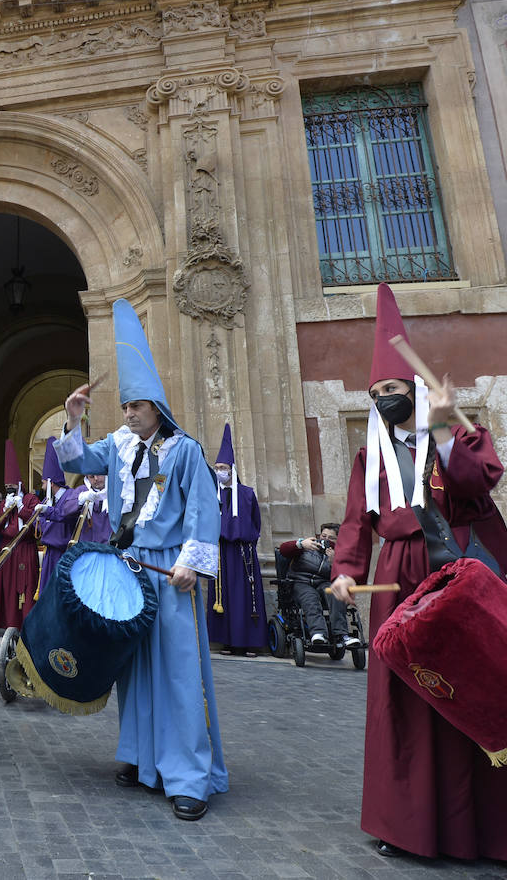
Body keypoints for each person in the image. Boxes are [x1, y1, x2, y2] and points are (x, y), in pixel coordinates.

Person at [328, 284, 507, 874]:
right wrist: (346, 573)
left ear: (415, 391)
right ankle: (411, 826)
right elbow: (356, 524)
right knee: (410, 701)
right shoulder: (366, 459)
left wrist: (447, 426)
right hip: (398, 582)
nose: (383, 401)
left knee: (490, 689)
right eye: (375, 395)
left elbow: (478, 486)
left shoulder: (460, 436)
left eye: (393, 391)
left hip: (461, 577)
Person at [55, 299, 226, 822]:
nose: (130, 413)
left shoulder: (186, 451)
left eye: (138, 405)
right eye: (126, 406)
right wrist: (73, 420)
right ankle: (138, 757)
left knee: (177, 671)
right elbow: (76, 462)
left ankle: (188, 776)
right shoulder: (116, 444)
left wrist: (190, 566)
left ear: (158, 405)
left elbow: (202, 514)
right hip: (129, 570)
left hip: (171, 572)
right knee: (133, 670)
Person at [206, 423, 264, 656]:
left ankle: (249, 641)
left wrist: (248, 538)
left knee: (245, 597)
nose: (219, 470)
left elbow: (256, 521)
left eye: (223, 467)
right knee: (224, 596)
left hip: (242, 553)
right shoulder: (211, 494)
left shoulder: (247, 494)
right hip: (220, 552)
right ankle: (227, 641)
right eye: (216, 467)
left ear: (232, 469)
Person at [276, 523, 358, 650]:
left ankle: (343, 635)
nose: (325, 540)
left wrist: (335, 563)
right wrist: (300, 544)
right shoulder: (308, 545)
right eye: (323, 535)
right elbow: (283, 550)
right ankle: (318, 633)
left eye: (330, 538)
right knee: (310, 598)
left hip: (323, 583)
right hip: (300, 582)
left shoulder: (340, 554)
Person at [0, 442, 40, 631]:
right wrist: (4, 507)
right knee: (7, 586)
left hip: (24, 548)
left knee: (25, 585)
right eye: (6, 486)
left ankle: (25, 623)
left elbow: (36, 522)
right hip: (7, 549)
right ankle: (7, 622)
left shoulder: (30, 499)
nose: (9, 488)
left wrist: (20, 508)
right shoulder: (5, 500)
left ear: (19, 484)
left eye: (12, 486)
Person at [34, 437, 73, 598]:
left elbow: (65, 515)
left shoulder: (69, 497)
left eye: (43, 483)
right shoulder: (48, 500)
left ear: (51, 483)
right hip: (50, 553)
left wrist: (47, 512)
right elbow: (39, 524)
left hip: (63, 553)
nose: (41, 486)